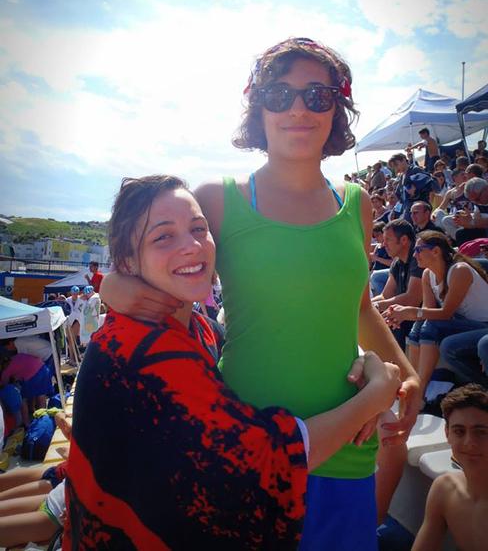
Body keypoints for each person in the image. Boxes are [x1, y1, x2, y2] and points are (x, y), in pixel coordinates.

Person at [100, 38, 420, 550]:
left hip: (347, 444)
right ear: (258, 107)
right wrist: (115, 288)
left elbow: (360, 306)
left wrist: (406, 373)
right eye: (279, 94)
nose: (298, 108)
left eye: (317, 95)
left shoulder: (357, 203)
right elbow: (158, 264)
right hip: (247, 443)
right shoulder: (218, 200)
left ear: (336, 108)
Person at [65, 174, 401, 549]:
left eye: (199, 229)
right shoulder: (144, 351)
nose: (191, 246)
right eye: (163, 237)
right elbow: (266, 462)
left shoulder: (198, 330)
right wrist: (375, 396)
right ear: (127, 261)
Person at [385, 231, 488, 398]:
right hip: (466, 324)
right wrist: (402, 315)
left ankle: (420, 390)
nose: (414, 255)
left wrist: (411, 312)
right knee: (420, 327)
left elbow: (445, 313)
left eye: (419, 250)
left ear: (436, 251)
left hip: (483, 325)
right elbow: (428, 312)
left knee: (441, 338)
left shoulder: (459, 270)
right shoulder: (428, 274)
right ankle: (412, 383)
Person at [412, 384, 488, 551]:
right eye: (459, 431)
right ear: (447, 434)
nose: (469, 443)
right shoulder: (445, 489)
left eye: (481, 432)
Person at [372, 219, 423, 350]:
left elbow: (412, 299)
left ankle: (396, 362)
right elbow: (385, 295)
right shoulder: (397, 261)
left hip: (423, 314)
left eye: (388, 240)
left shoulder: (419, 258)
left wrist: (375, 307)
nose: (383, 244)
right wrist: (364, 304)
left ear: (404, 240)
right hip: (409, 313)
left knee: (393, 321)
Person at [388, 152, 435, 222]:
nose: (396, 168)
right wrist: (395, 210)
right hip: (407, 210)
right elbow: (401, 199)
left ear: (403, 160)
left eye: (396, 165)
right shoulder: (401, 177)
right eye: (394, 167)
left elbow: (430, 189)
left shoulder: (415, 170)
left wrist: (416, 189)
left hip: (419, 210)